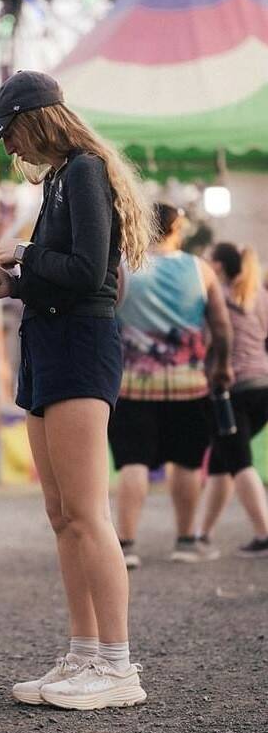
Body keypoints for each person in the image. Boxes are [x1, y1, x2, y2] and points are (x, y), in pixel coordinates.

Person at [0, 70, 151, 710]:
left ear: (36, 120)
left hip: (79, 346)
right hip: (49, 346)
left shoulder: (82, 171)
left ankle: (117, 666)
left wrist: (22, 256)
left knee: (85, 513)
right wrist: (14, 285)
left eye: (12, 134)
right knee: (60, 515)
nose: (10, 148)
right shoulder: (58, 179)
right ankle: (83, 655)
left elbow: (86, 270)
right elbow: (74, 272)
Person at [109, 204, 232, 567]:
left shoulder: (124, 269)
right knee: (188, 463)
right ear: (178, 228)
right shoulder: (201, 269)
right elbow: (222, 328)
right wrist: (221, 367)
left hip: (133, 383)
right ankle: (185, 540)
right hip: (189, 384)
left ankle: (127, 545)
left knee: (133, 463)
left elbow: (107, 318)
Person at [196, 242, 268, 558]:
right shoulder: (260, 296)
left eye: (208, 261)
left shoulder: (217, 298)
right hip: (262, 386)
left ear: (219, 268)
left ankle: (264, 533)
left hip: (230, 390)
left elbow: (207, 341)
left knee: (238, 462)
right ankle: (201, 534)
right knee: (221, 462)